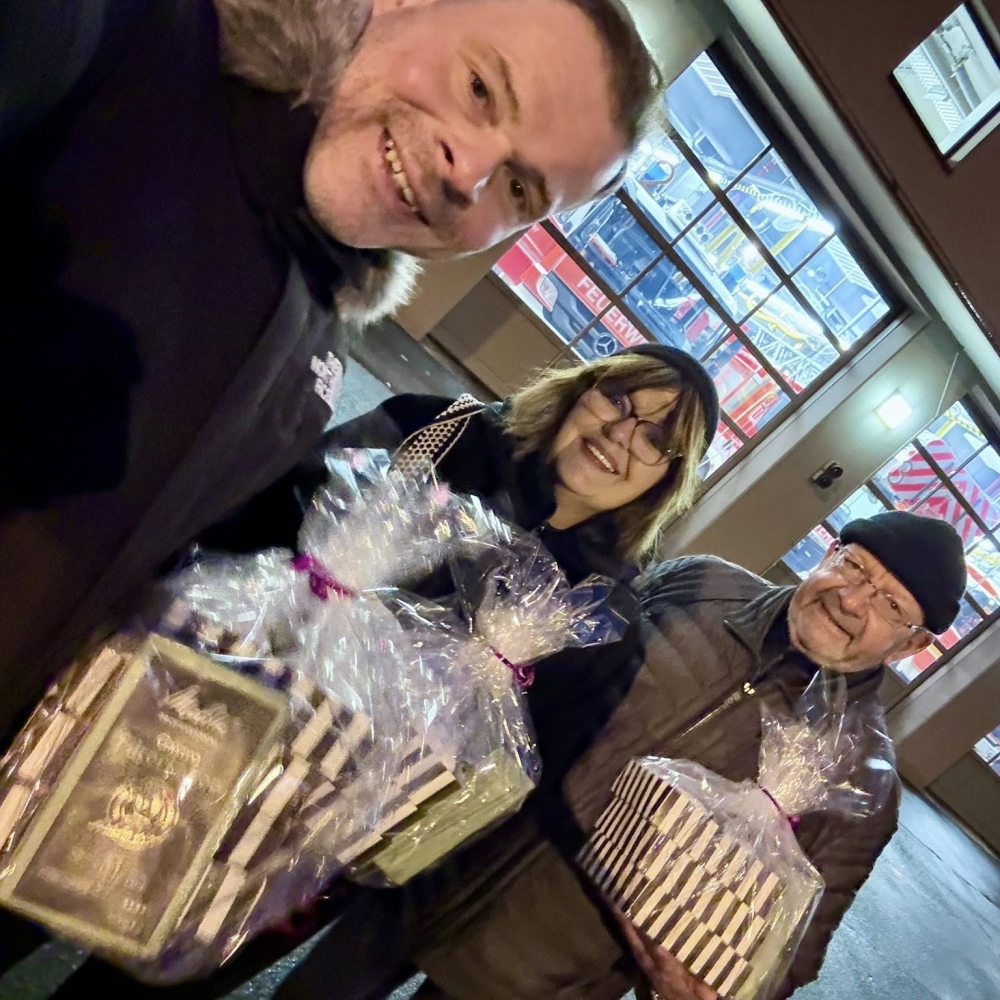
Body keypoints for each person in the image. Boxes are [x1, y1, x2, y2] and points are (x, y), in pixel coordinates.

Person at [0, 0, 660, 751]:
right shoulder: (116, 45)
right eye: (480, 87)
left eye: (518, 189)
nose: (470, 173)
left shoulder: (313, 358)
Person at [35, 343, 719, 997]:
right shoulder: (439, 432)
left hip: (307, 832)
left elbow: (516, 774)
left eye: (657, 439)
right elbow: (259, 512)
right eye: (619, 399)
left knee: (161, 976)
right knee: (47, 853)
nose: (622, 434)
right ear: (583, 388)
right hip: (198, 714)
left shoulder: (598, 617)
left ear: (668, 477)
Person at [397, 510, 967, 1000]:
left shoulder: (863, 781)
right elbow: (565, 646)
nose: (851, 599)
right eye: (855, 566)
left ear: (913, 644)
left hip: (537, 967)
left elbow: (789, 951)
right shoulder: (703, 582)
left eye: (890, 604)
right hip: (427, 845)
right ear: (828, 553)